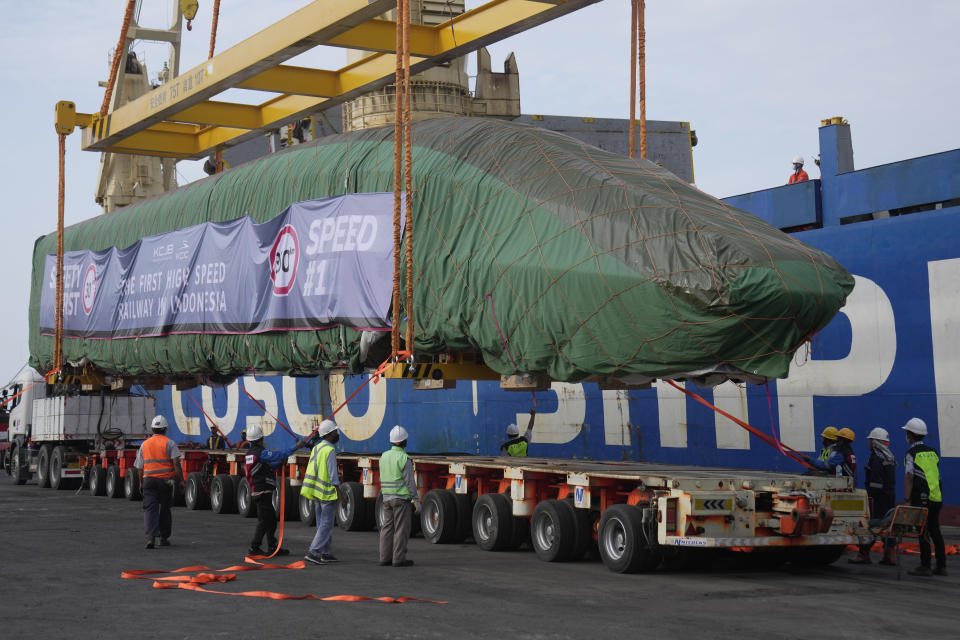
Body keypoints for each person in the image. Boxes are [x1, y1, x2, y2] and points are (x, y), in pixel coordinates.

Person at [245, 423, 315, 557]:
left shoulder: (251, 454)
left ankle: (272, 546)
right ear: (260, 439)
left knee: (270, 520)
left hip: (259, 491)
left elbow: (269, 465)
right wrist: (296, 447)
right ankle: (254, 547)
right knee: (264, 520)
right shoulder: (260, 453)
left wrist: (280, 463)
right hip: (263, 491)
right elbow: (279, 454)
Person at [902, 418, 947, 576]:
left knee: (923, 531)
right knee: (935, 530)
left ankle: (925, 566)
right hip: (936, 497)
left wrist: (907, 499)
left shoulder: (911, 454)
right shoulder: (932, 452)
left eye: (907, 433)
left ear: (911, 435)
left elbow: (909, 477)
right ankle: (941, 566)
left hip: (921, 499)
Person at [849, 427, 897, 565]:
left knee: (868, 526)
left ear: (875, 442)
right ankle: (890, 555)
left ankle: (863, 554)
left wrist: (869, 497)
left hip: (877, 499)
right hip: (889, 497)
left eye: (870, 440)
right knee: (887, 526)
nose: (869, 443)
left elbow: (875, 482)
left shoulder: (876, 458)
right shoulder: (890, 456)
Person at [134, 415, 184, 549]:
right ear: (165, 429)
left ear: (152, 429)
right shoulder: (170, 443)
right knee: (165, 509)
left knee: (150, 509)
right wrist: (181, 481)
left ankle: (150, 538)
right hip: (165, 482)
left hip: (149, 481)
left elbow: (139, 467)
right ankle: (163, 537)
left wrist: (140, 482)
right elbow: (176, 464)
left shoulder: (145, 444)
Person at [378, 425, 420, 567]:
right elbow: (410, 482)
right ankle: (398, 559)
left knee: (387, 528)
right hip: (401, 499)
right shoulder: (404, 458)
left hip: (386, 498)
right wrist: (416, 500)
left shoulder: (384, 456)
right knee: (401, 529)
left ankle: (384, 558)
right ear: (404, 441)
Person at [302, 419, 342, 565]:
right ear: (329, 434)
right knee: (326, 524)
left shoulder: (317, 448)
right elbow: (333, 476)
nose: (337, 434)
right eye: (335, 432)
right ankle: (314, 552)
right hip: (327, 493)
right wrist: (341, 495)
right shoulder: (330, 450)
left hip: (316, 492)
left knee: (321, 524)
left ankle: (325, 552)